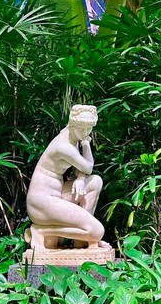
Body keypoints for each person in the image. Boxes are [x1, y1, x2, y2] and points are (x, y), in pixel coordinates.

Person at [25, 105, 108, 250]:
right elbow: (88, 167)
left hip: (58, 193)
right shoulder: (64, 146)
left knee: (95, 181)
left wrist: (80, 179)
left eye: (89, 128)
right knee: (97, 231)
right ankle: (41, 231)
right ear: (72, 124)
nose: (85, 133)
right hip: (41, 202)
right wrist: (86, 143)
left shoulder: (72, 137)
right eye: (81, 128)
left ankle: (80, 241)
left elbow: (80, 168)